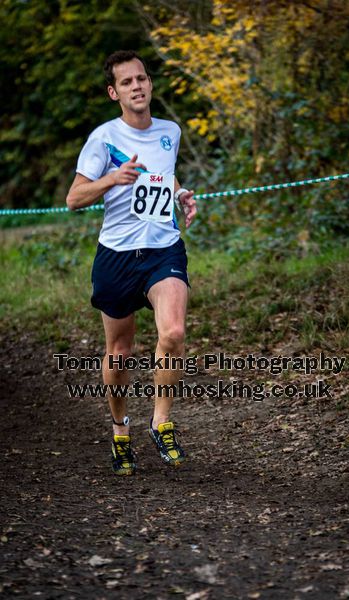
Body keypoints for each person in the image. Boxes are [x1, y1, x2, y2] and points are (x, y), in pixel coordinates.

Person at [66, 50, 196, 476]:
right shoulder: (103, 139)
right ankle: (121, 430)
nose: (137, 86)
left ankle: (161, 421)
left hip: (163, 248)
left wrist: (179, 195)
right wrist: (110, 180)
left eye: (142, 78)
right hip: (117, 255)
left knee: (173, 332)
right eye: (127, 82)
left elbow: (165, 173)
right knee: (119, 354)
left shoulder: (170, 131)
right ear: (114, 92)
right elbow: (73, 199)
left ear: (150, 84)